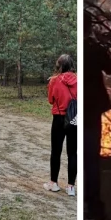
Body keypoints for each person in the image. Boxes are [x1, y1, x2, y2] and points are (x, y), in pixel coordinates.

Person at [84, 17, 111, 220]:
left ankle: (89, 207)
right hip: (92, 108)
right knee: (91, 159)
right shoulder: (94, 48)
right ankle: (94, 208)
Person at [46, 54, 78, 196]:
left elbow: (51, 100)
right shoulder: (79, 80)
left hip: (59, 118)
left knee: (56, 151)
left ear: (59, 65)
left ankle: (53, 183)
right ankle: (71, 187)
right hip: (74, 119)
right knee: (72, 153)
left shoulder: (54, 81)